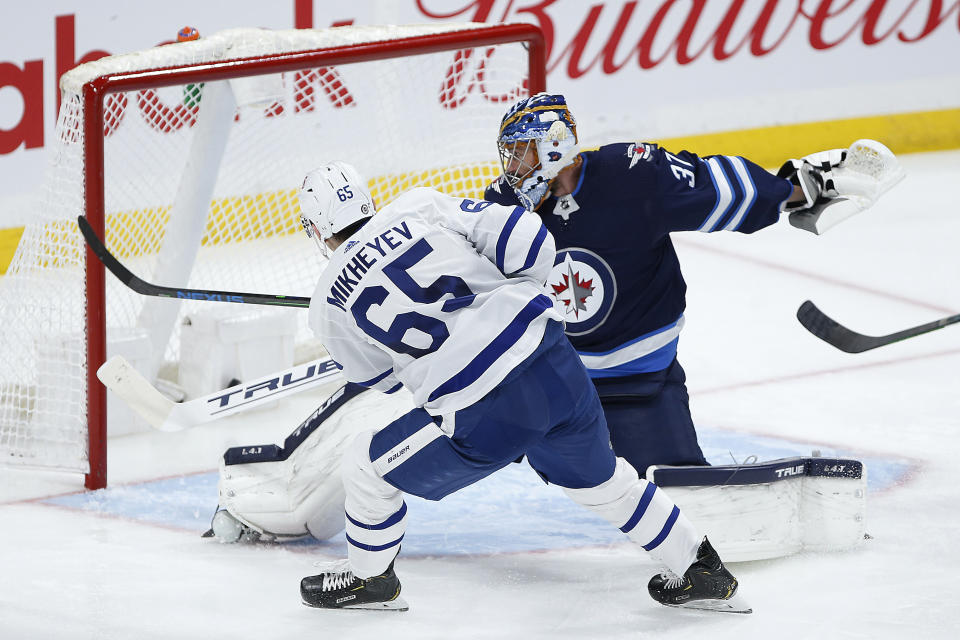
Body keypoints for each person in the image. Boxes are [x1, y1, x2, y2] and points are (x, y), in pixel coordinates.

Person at [292, 161, 747, 612]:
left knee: (365, 465)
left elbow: (380, 379)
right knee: (605, 480)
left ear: (315, 228)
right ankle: (699, 567)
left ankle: (370, 581)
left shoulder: (325, 304)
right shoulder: (418, 206)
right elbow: (530, 243)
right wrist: (504, 297)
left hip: (482, 413)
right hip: (553, 361)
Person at [484, 93, 902, 477]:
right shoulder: (502, 206)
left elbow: (712, 187)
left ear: (553, 148)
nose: (513, 167)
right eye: (512, 155)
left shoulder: (630, 175)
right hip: (556, 378)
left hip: (640, 376)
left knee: (677, 487)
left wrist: (800, 189)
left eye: (522, 153)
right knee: (461, 438)